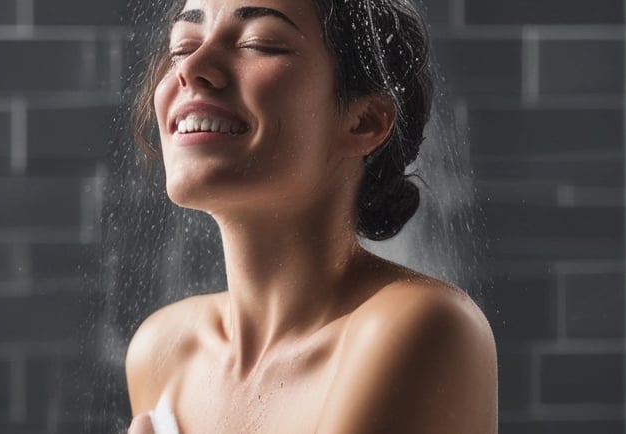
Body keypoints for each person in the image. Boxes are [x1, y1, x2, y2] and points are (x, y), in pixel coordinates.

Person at [124, 0, 498, 432]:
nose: (191, 68)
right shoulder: (163, 349)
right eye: (182, 47)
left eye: (259, 43)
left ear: (363, 123)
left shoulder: (422, 324)